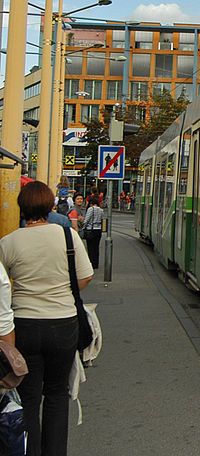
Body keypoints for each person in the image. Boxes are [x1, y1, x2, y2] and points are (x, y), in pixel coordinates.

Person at [0, 181, 93, 456]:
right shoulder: (67, 236)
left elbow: (2, 283)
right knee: (56, 393)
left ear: (22, 208)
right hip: (64, 324)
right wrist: (62, 288)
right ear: (51, 205)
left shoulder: (8, 242)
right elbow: (86, 276)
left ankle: (29, 451)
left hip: (24, 326)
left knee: (28, 396)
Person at [82, 195, 104, 269]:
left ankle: (91, 263)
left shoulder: (91, 209)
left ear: (91, 203)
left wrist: (83, 227)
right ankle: (96, 263)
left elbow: (86, 220)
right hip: (98, 230)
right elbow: (102, 220)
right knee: (96, 247)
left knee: (90, 247)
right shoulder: (101, 210)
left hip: (91, 230)